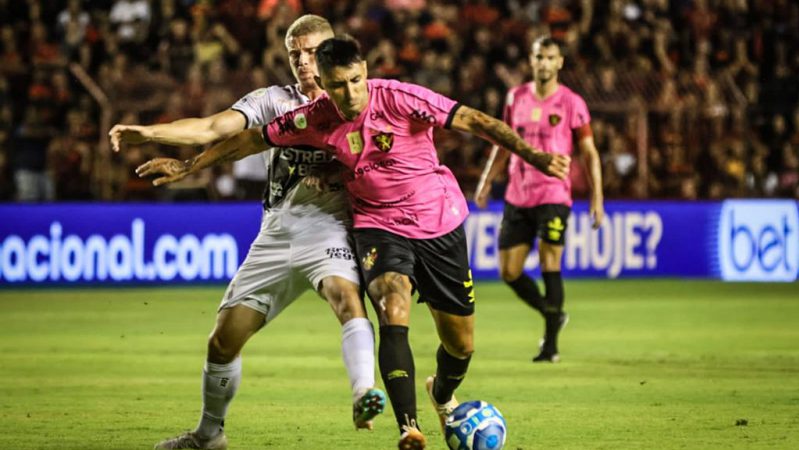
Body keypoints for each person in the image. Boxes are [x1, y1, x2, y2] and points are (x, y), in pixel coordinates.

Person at [136, 35, 570, 450]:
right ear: (323, 85)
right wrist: (189, 166)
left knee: (461, 344)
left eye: (355, 81)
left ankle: (442, 389)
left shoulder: (399, 97)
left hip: (438, 223)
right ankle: (409, 427)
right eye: (338, 86)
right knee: (391, 306)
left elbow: (475, 120)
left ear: (365, 71)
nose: (350, 94)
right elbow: (252, 138)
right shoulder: (315, 117)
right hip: (377, 226)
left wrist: (536, 157)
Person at [109, 16, 385, 450]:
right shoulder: (275, 101)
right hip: (276, 232)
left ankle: (364, 392)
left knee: (346, 298)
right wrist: (151, 134)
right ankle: (209, 434)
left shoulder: (362, 101)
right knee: (222, 341)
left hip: (328, 226)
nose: (302, 62)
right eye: (295, 54)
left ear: (334, 53)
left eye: (312, 52)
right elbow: (214, 127)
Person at [474, 36, 604, 363]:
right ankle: (553, 313)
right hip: (518, 194)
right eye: (538, 57)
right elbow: (502, 143)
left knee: (550, 263)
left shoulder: (572, 103)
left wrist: (597, 197)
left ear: (560, 62)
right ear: (530, 61)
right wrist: (487, 180)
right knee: (509, 271)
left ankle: (550, 345)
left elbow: (589, 153)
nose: (544, 63)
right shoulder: (515, 97)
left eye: (550, 57)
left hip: (554, 194)